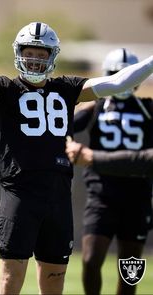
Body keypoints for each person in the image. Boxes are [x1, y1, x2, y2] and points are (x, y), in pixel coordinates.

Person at [0, 22, 153, 295]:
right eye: (30, 52)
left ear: (52, 56)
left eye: (42, 53)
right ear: (19, 52)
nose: (35, 59)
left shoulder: (67, 88)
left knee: (53, 281)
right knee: (9, 279)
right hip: (20, 195)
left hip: (58, 195)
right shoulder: (6, 89)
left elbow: (118, 81)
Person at [68, 48, 153, 295]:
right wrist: (68, 144)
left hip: (137, 196)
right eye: (117, 73)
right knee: (90, 259)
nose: (124, 78)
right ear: (108, 75)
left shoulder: (147, 108)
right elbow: (63, 126)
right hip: (101, 195)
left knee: (130, 271)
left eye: (129, 73)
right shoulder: (96, 107)